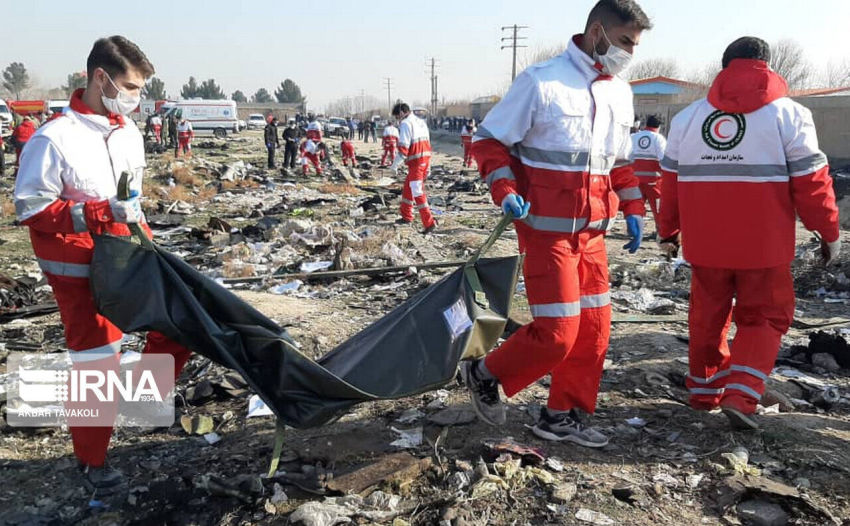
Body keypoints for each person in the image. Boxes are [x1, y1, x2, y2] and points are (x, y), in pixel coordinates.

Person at [463, 0, 650, 447]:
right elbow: (489, 142)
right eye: (625, 41)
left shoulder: (619, 93)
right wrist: (505, 191)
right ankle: (484, 372)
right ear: (598, 31)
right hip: (546, 231)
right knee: (558, 333)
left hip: (593, 235)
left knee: (594, 331)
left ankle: (560, 414)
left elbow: (618, 162)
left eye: (635, 45)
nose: (629, 53)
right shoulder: (541, 81)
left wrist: (634, 208)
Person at [13, 35, 193, 497]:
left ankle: (141, 405)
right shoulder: (55, 138)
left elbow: (129, 201)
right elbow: (30, 209)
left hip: (126, 252)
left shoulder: (127, 132)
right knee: (97, 362)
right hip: (77, 267)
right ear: (100, 77)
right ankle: (92, 462)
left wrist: (144, 237)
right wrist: (95, 213)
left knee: (179, 322)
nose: (136, 97)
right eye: (131, 86)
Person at [657, 37, 841, 430]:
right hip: (765, 246)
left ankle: (705, 393)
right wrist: (828, 232)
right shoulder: (789, 115)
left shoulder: (688, 118)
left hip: (705, 244)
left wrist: (668, 231)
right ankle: (741, 394)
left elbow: (668, 183)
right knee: (766, 317)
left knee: (707, 317)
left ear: (725, 67)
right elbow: (812, 182)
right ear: (768, 66)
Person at [391, 102, 436, 233]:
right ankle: (406, 216)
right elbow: (427, 142)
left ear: (401, 113)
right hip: (424, 159)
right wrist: (429, 165)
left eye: (397, 117)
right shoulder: (420, 122)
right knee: (408, 188)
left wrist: (394, 165)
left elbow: (403, 148)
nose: (398, 120)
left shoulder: (406, 123)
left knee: (417, 192)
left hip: (417, 162)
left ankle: (429, 223)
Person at [629, 114, 666, 231]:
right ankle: (660, 231)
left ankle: (634, 230)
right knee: (658, 209)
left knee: (635, 206)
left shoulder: (634, 137)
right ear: (659, 126)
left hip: (635, 181)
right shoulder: (658, 138)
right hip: (653, 183)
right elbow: (664, 160)